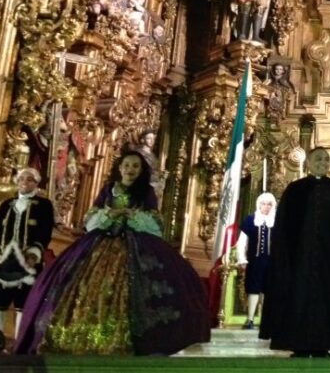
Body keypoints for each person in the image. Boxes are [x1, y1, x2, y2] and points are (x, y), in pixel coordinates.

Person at [16, 150, 210, 355]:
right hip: (102, 242)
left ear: (141, 170)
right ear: (120, 168)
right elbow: (91, 216)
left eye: (135, 166)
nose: (130, 169)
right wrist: (109, 213)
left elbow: (155, 221)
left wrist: (134, 215)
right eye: (127, 165)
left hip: (137, 245)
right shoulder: (109, 189)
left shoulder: (147, 192)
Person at [259, 147, 330, 357]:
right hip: (299, 259)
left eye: (326, 160)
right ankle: (298, 345)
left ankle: (323, 345)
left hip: (329, 260)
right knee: (298, 299)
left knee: (326, 302)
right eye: (318, 159)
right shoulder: (295, 189)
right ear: (308, 162)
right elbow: (284, 225)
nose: (323, 162)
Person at [0, 168, 55, 337]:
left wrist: (33, 255)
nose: (25, 182)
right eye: (22, 178)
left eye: (30, 179)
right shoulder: (6, 205)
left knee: (23, 305)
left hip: (28, 264)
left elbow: (45, 232)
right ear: (17, 182)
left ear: (36, 183)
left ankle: (19, 345)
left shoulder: (44, 205)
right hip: (3, 263)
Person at [235, 192, 276, 330]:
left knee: (268, 290)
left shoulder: (276, 222)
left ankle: (266, 321)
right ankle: (250, 319)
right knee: (254, 289)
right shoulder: (251, 220)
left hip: (272, 263)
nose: (266, 207)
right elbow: (242, 242)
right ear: (259, 204)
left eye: (269, 204)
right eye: (264, 203)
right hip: (255, 262)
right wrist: (242, 258)